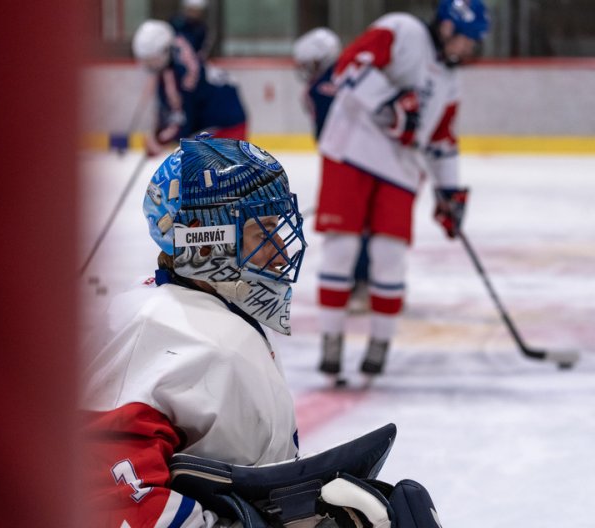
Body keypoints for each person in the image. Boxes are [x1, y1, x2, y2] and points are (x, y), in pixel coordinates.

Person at [79, 136, 441, 527]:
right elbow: (109, 490)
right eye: (263, 231)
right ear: (202, 238)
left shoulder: (212, 314)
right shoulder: (154, 328)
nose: (282, 253)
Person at [315, 0, 490, 379]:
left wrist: (450, 190)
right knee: (341, 248)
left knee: (389, 254)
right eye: (467, 40)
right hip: (351, 148)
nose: (469, 49)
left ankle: (379, 347)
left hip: (400, 167)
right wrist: (390, 105)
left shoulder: (451, 81)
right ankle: (331, 341)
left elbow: (441, 138)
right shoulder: (402, 29)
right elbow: (350, 63)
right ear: (446, 28)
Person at [293, 28, 371, 312]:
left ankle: (360, 284)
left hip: (347, 165)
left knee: (351, 226)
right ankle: (374, 283)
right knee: (368, 224)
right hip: (374, 160)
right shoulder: (355, 72)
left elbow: (325, 137)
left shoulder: (317, 89)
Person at [132, 19, 246, 156]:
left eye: (151, 60)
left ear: (164, 51)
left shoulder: (178, 73)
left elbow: (184, 121)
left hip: (223, 125)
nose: (148, 66)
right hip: (227, 118)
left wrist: (159, 139)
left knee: (202, 173)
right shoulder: (178, 47)